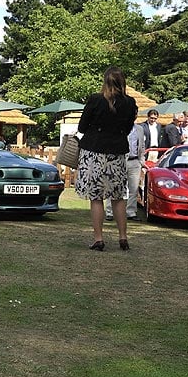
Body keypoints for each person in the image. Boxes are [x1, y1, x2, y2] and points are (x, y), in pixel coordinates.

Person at [75, 66, 137, 252]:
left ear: (105, 81)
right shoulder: (130, 103)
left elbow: (82, 126)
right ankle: (123, 237)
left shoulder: (96, 100)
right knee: (118, 197)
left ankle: (98, 238)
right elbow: (127, 129)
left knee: (96, 197)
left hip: (93, 152)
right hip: (116, 153)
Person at [104, 121, 144, 222]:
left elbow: (142, 146)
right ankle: (110, 212)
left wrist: (141, 161)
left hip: (134, 161)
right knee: (114, 186)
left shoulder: (139, 129)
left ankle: (131, 212)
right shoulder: (117, 126)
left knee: (134, 188)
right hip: (120, 160)